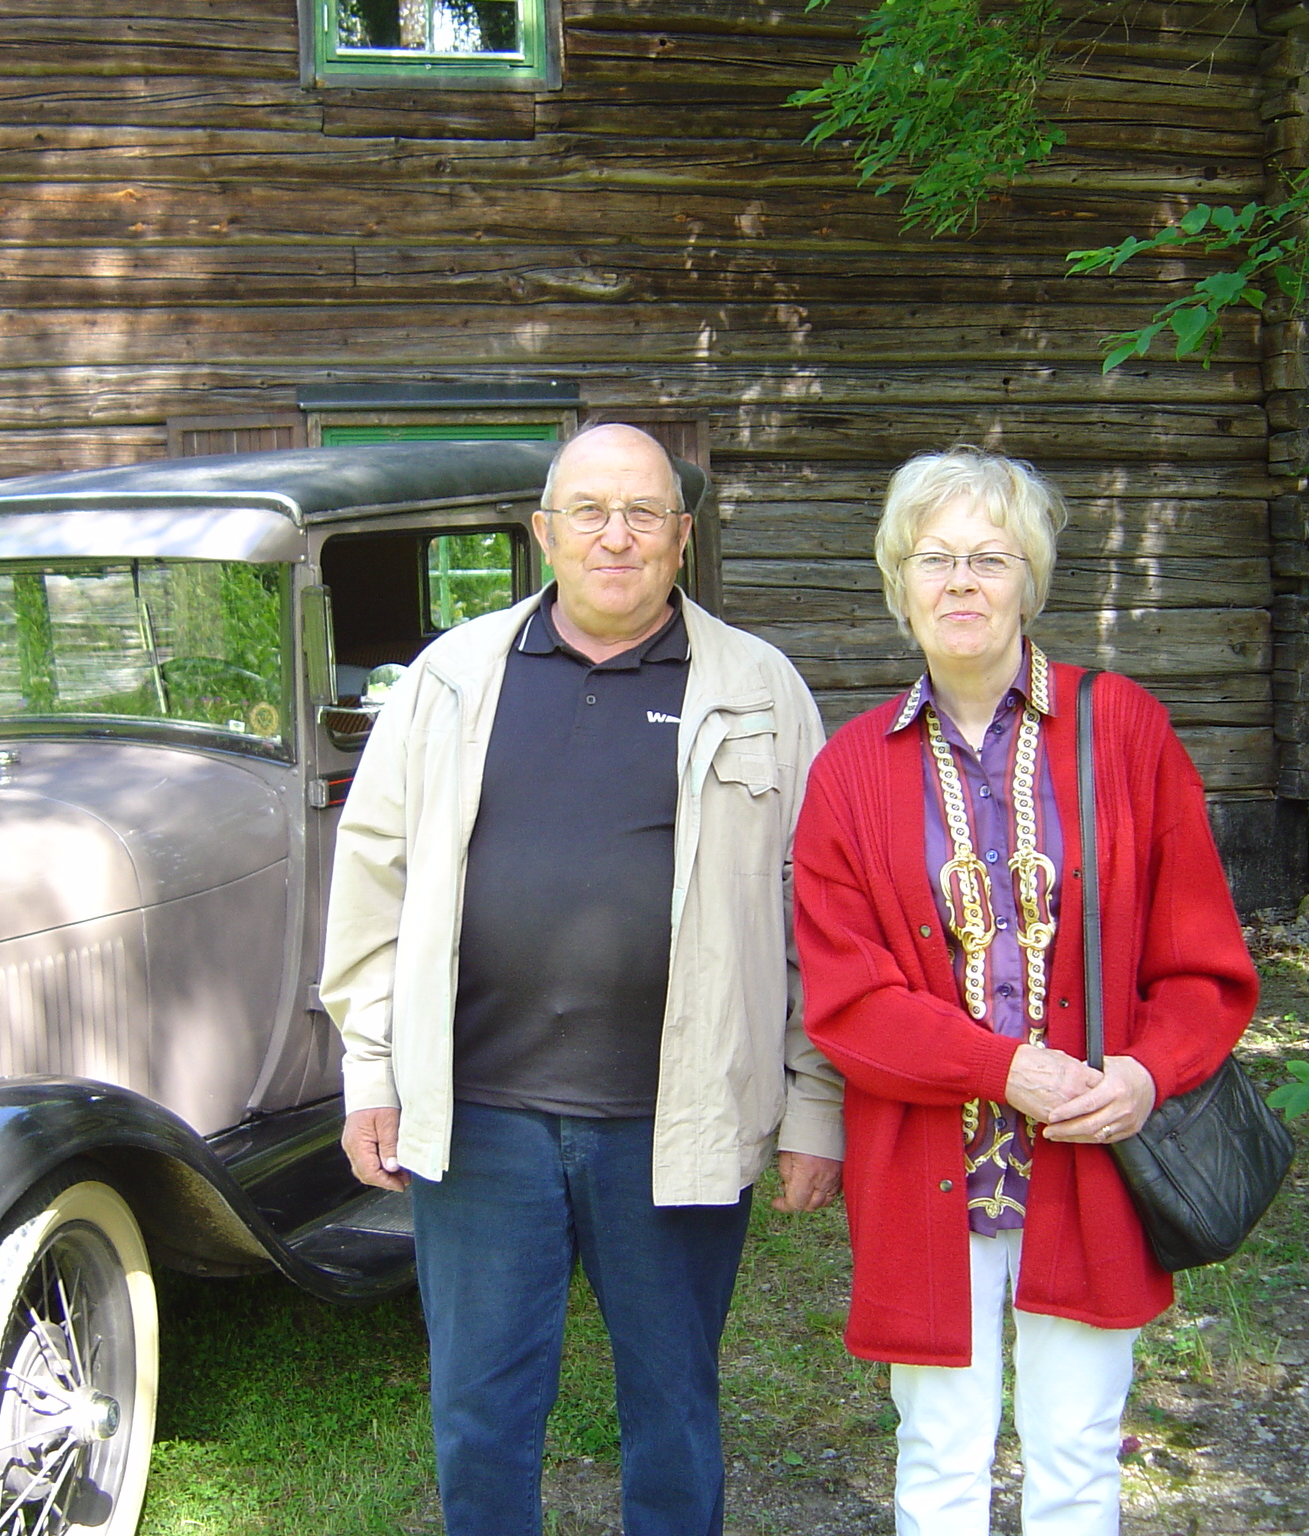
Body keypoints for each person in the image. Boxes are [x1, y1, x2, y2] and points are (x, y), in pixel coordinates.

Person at [321, 423, 845, 1536]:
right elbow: (373, 877)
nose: (616, 536)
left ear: (681, 536)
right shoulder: (450, 678)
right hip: (479, 1120)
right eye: (590, 512)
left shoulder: (758, 687)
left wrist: (816, 1103)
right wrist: (371, 1071)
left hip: (675, 1123)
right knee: (480, 1415)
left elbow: (817, 910)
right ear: (544, 532)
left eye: (642, 513)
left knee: (674, 1410)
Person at [790, 447, 1258, 1536]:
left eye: (989, 558)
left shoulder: (1123, 729)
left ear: (1028, 580)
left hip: (1092, 1162)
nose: (961, 581)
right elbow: (848, 1001)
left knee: (1078, 1452)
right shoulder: (850, 770)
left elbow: (1201, 961)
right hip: (925, 1167)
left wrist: (1145, 1076)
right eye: (934, 558)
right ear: (900, 581)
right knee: (938, 1458)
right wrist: (1000, 1067)